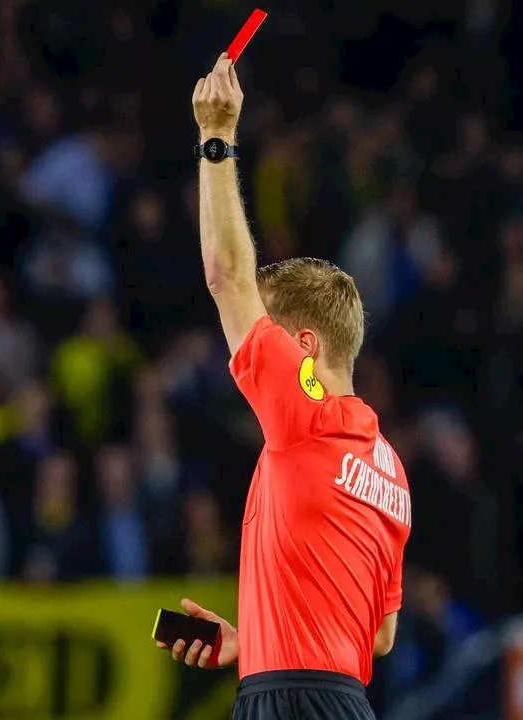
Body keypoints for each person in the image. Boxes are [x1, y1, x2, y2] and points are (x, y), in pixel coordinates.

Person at [157, 54, 412, 720]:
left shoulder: (307, 415)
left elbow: (227, 278)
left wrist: (217, 137)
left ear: (304, 346)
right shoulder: (388, 466)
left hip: (288, 703)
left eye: (268, 327)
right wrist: (262, 642)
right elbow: (378, 636)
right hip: (341, 700)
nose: (249, 338)